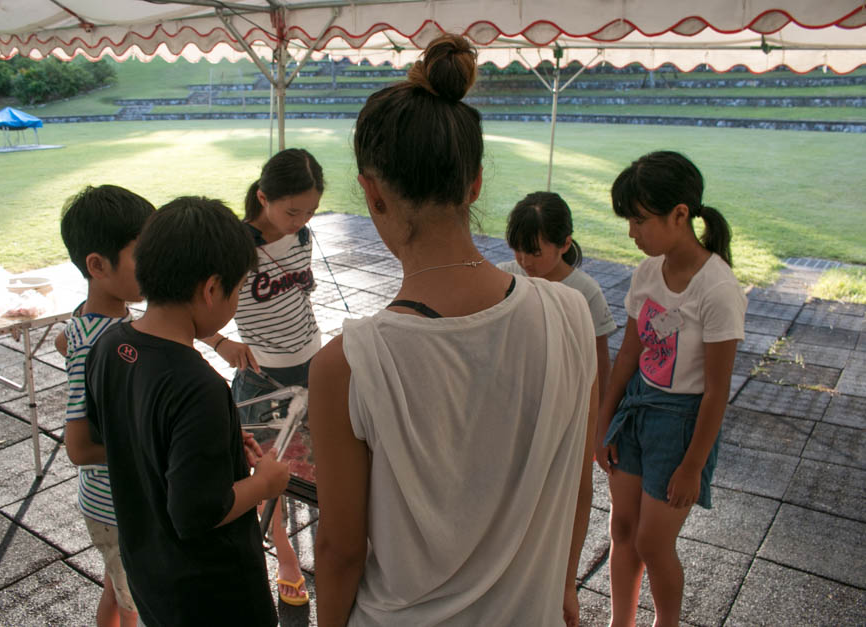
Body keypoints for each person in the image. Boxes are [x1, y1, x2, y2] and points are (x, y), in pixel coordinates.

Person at [309, 34, 599, 627]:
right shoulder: (571, 315)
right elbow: (577, 482)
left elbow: (339, 552)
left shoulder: (346, 365)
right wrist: (564, 584)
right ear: (475, 184)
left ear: (371, 191)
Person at [84, 196, 291, 627]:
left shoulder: (107, 347)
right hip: (212, 593)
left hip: (147, 569)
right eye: (236, 291)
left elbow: (125, 433)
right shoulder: (200, 387)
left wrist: (217, 443)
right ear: (212, 289)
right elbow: (197, 513)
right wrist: (265, 482)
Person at [595, 151, 747, 626]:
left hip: (681, 426)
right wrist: (603, 422)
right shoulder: (646, 273)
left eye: (639, 220)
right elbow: (628, 355)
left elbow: (716, 391)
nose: (631, 233)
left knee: (652, 543)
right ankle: (621, 621)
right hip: (636, 410)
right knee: (622, 529)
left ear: (680, 215)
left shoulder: (717, 288)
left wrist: (693, 466)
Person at [201, 147, 324, 606]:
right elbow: (188, 299)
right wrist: (220, 343)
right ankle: (285, 557)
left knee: (314, 466)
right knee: (263, 473)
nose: (300, 219)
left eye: (310, 210)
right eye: (292, 210)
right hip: (262, 374)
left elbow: (298, 295)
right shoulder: (234, 245)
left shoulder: (304, 237)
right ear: (263, 197)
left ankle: (321, 551)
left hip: (312, 361)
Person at [56, 184, 155, 627]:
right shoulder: (102, 343)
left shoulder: (89, 320)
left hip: (115, 502)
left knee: (116, 588)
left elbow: (64, 338)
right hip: (113, 504)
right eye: (144, 256)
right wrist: (146, 447)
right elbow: (78, 448)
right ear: (98, 266)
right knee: (138, 601)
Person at [498, 191, 617, 405]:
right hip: (512, 394)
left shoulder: (585, 291)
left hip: (563, 398)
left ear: (564, 244)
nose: (524, 261)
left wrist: (599, 416)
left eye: (535, 253)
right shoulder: (503, 277)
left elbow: (600, 361)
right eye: (518, 250)